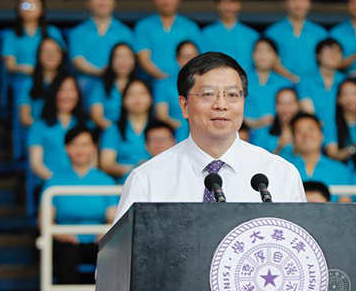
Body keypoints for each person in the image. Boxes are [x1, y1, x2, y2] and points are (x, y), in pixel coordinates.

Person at [115, 52, 306, 221]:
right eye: (208, 94)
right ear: (184, 106)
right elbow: (123, 250)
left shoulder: (280, 174)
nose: (221, 105)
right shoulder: (147, 179)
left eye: (232, 95)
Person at [42, 126, 117, 291]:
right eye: (75, 145)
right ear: (67, 148)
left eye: (85, 144)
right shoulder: (54, 181)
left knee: (111, 251)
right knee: (67, 252)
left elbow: (112, 217)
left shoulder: (106, 181)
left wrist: (104, 233)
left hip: (98, 240)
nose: (80, 150)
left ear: (93, 147)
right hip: (67, 240)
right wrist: (61, 233)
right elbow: (45, 219)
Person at [69, 0, 134, 101]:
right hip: (86, 84)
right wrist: (101, 72)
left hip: (117, 84)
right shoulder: (77, 32)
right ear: (88, 2)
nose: (102, 0)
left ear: (114, 2)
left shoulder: (126, 32)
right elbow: (77, 60)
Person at [1, 0, 66, 106]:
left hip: (49, 78)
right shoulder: (11, 36)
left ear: (42, 9)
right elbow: (10, 65)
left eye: (34, 4)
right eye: (25, 5)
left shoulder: (52, 32)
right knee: (25, 85)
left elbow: (62, 58)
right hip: (24, 79)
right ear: (18, 9)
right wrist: (30, 70)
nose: (29, 8)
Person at [135, 0, 202, 81]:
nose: (165, 1)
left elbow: (197, 60)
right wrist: (164, 79)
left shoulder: (191, 27)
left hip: (185, 82)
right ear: (153, 0)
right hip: (151, 83)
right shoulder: (144, 26)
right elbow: (143, 58)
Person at [28, 75, 87, 182]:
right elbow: (36, 164)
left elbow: (92, 161)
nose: (67, 95)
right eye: (62, 90)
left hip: (81, 185)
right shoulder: (39, 126)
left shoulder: (86, 125)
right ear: (54, 93)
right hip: (50, 185)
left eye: (71, 90)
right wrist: (59, 182)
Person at [264, 0, 328, 81]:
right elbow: (268, 61)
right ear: (284, 3)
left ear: (310, 3)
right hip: (280, 84)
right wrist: (290, 77)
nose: (298, 4)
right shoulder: (272, 32)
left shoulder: (320, 33)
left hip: (313, 85)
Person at [100, 78, 153, 181]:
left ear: (151, 98)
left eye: (142, 93)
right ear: (123, 100)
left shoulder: (160, 129)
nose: (137, 98)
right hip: (125, 183)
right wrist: (135, 169)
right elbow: (106, 164)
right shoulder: (113, 130)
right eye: (131, 94)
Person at [201, 0, 259, 71]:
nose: (228, 6)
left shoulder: (252, 35)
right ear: (217, 4)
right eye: (224, 1)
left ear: (240, 4)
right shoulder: (205, 34)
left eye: (233, 1)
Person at [287, 113, 351, 190]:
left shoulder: (340, 171)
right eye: (299, 131)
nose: (306, 135)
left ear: (322, 135)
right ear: (293, 139)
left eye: (311, 129)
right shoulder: (286, 169)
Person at [154, 40, 199, 142]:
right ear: (177, 59)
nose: (190, 60)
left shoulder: (206, 84)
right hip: (174, 137)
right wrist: (180, 126)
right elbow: (161, 115)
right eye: (185, 57)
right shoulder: (164, 84)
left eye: (193, 57)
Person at [17, 37, 67, 128]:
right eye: (46, 51)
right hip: (37, 129)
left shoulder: (68, 81)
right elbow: (25, 117)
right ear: (39, 55)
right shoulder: (29, 82)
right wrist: (43, 130)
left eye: (55, 51)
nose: (51, 55)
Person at [244, 38, 293, 130]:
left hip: (277, 133)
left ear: (276, 56)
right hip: (246, 132)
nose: (263, 55)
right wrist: (253, 123)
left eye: (268, 51)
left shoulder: (285, 83)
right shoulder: (241, 81)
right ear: (253, 55)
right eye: (259, 50)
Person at [297, 38, 346, 126]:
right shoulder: (306, 81)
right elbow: (308, 111)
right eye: (328, 49)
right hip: (315, 128)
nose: (334, 54)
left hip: (342, 129)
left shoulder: (346, 81)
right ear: (318, 55)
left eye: (338, 51)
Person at [89, 42, 137, 130]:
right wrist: (114, 132)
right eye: (118, 57)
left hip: (135, 130)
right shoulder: (100, 85)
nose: (123, 61)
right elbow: (97, 116)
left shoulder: (140, 85)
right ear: (111, 60)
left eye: (127, 57)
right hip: (108, 130)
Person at [249, 87, 299, 156]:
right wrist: (279, 148)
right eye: (281, 103)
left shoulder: (306, 133)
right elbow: (256, 159)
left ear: (298, 105)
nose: (286, 109)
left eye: (290, 103)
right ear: (275, 106)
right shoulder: (264, 133)